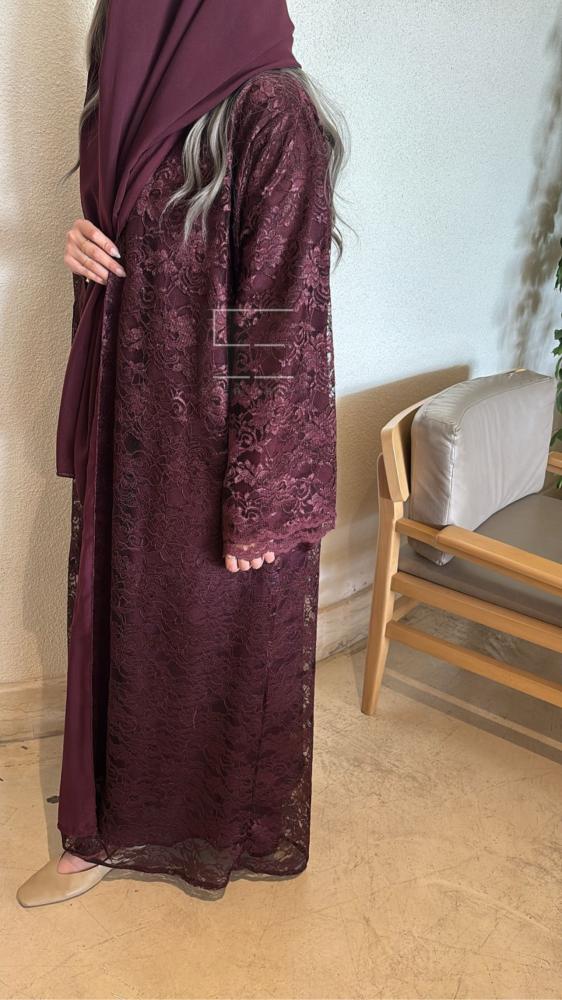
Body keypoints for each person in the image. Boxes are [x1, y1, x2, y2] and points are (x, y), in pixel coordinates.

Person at [17, 0, 345, 907]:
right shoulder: (129, 83)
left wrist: (260, 495)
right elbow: (139, 249)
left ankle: (196, 829)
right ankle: (107, 824)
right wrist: (83, 246)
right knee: (123, 626)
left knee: (208, 644)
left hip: (220, 453)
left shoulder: (271, 108)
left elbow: (281, 316)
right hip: (134, 434)